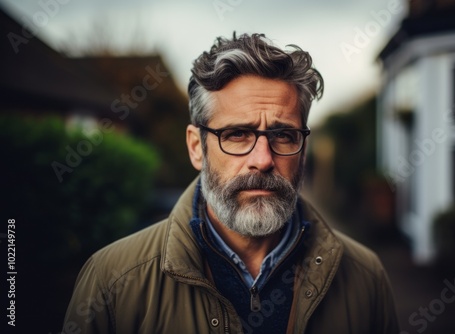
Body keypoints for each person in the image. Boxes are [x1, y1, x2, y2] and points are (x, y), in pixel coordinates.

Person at [63, 32, 400, 334]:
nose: (263, 158)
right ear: (197, 147)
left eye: (283, 135)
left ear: (304, 149)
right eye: (238, 134)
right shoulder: (113, 281)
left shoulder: (365, 277)